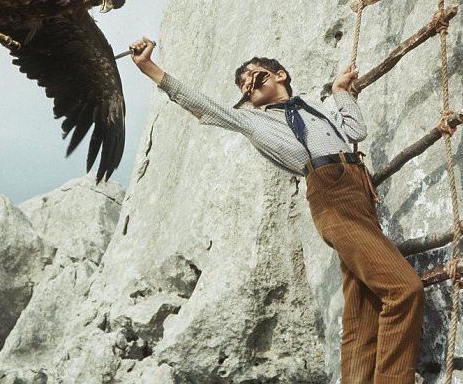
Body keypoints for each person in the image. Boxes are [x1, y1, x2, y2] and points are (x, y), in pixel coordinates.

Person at [129, 37, 424, 384]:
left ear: (280, 75)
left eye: (255, 78)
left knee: (364, 310)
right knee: (405, 289)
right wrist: (150, 68)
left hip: (359, 188)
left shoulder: (317, 107)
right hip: (328, 194)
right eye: (244, 88)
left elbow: (356, 130)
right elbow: (205, 106)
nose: (249, 87)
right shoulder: (256, 122)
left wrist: (340, 91)